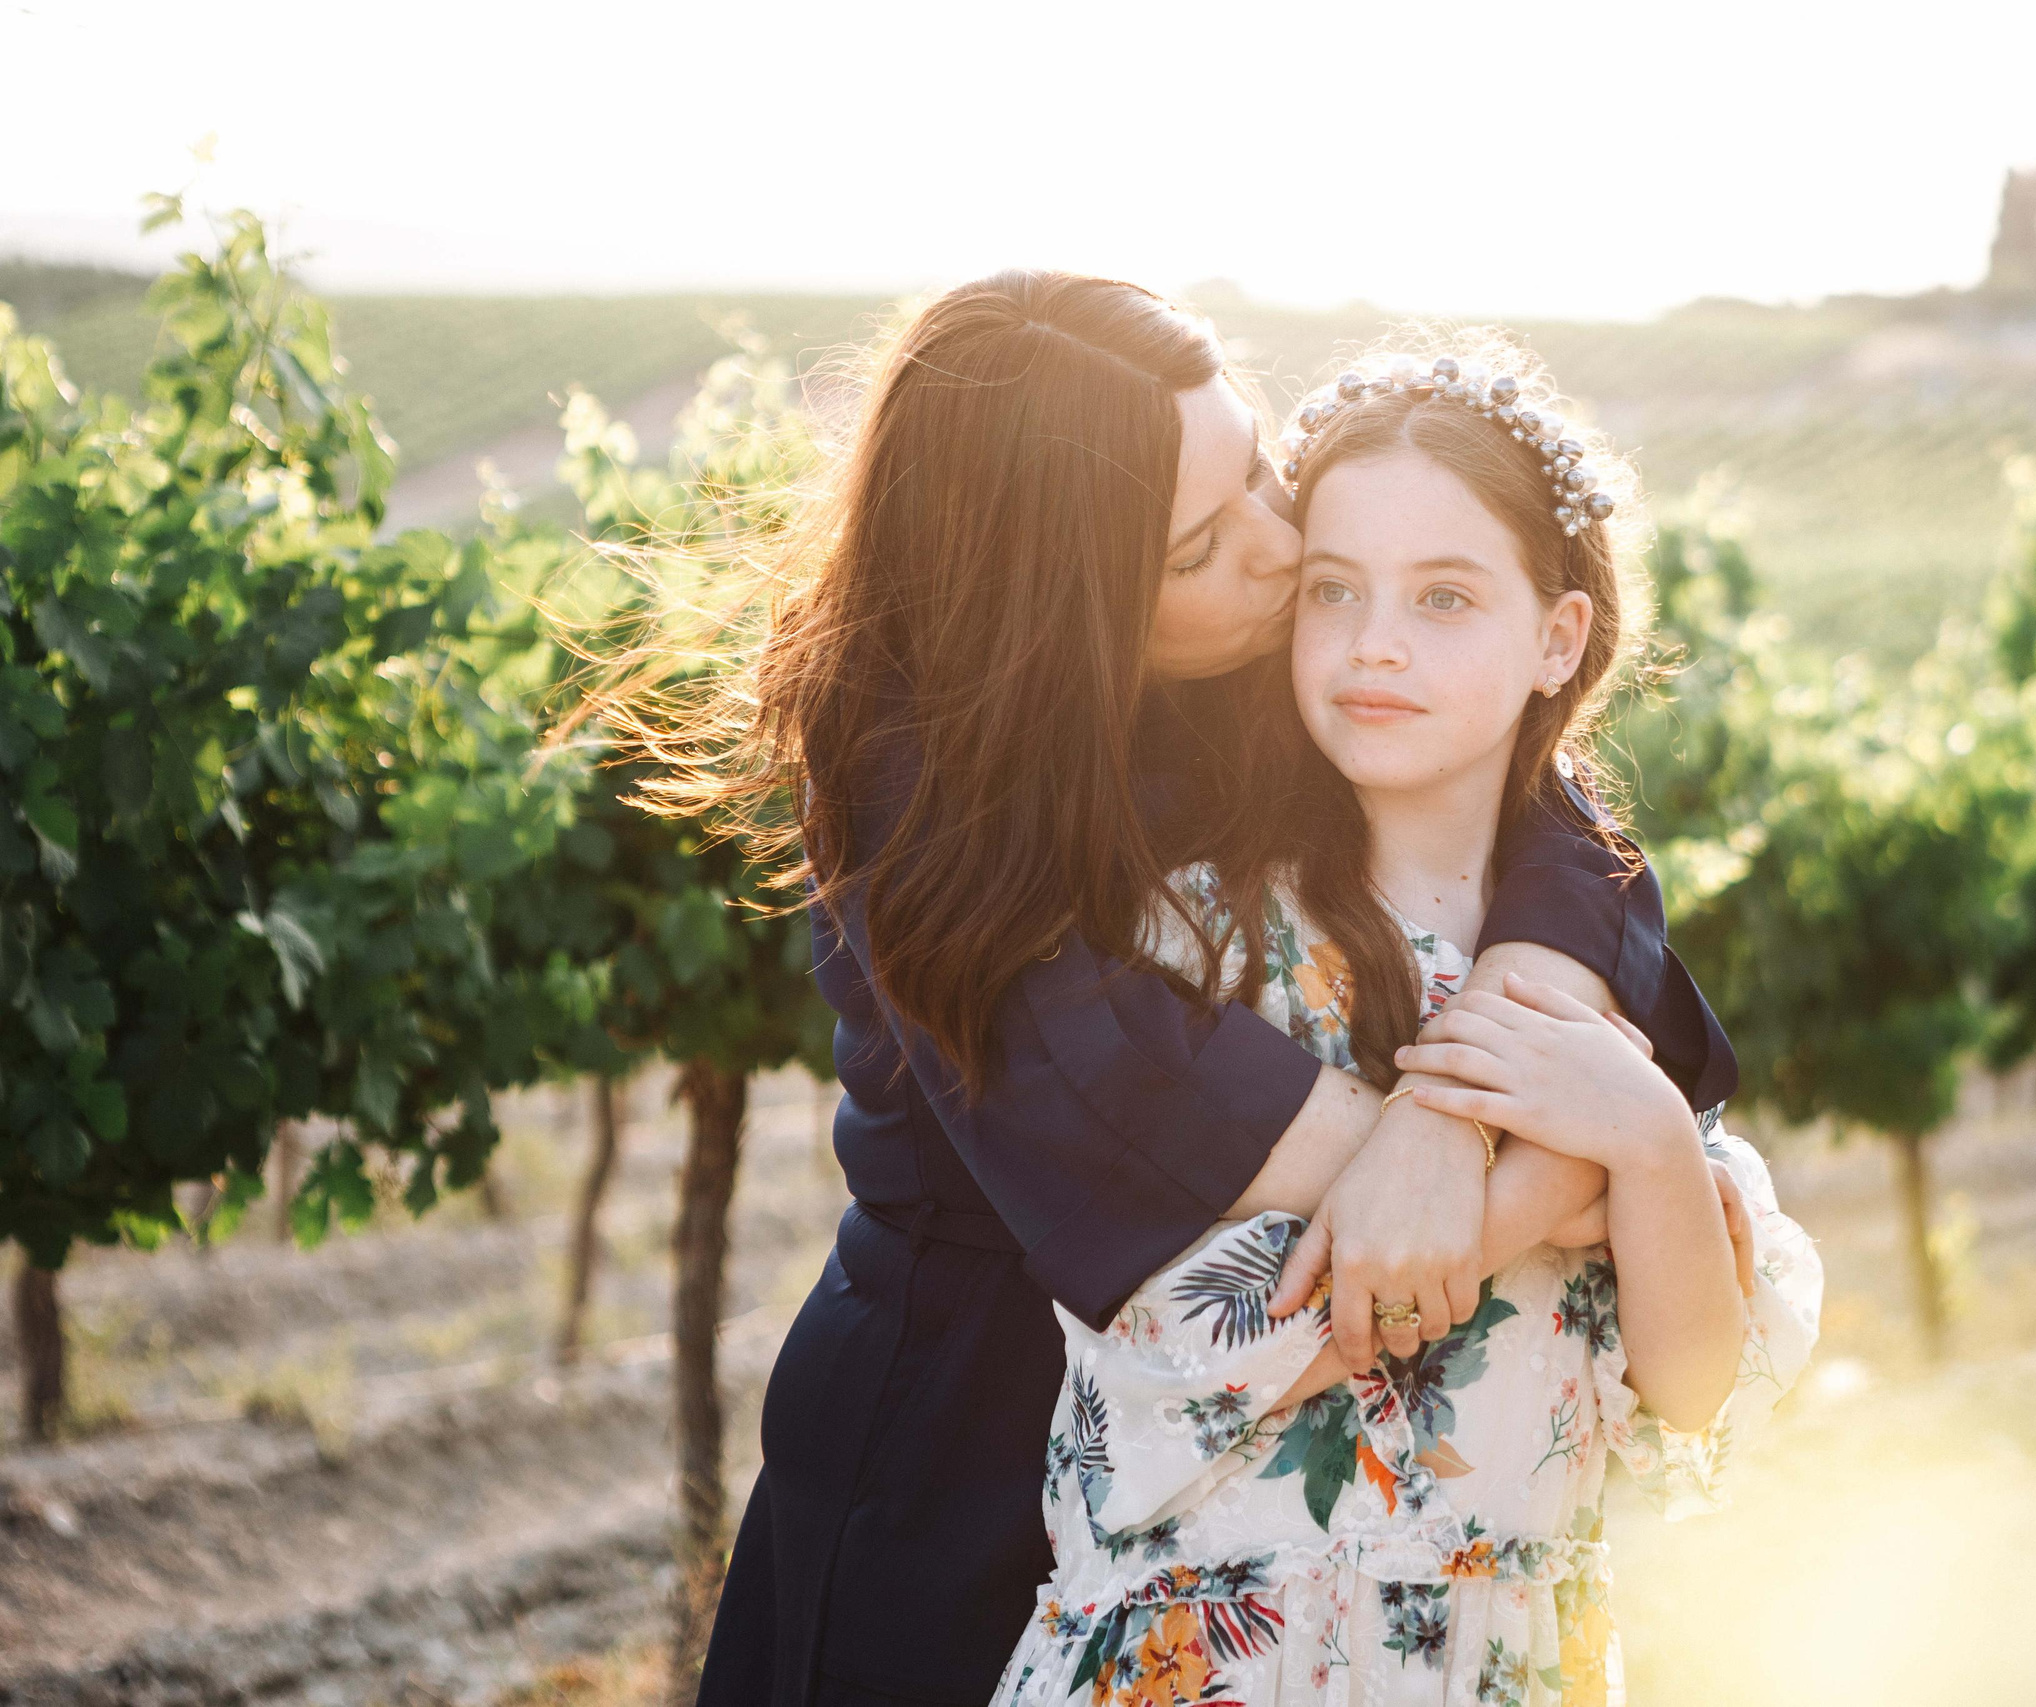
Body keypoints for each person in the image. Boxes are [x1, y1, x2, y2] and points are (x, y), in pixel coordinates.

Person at [676, 274, 1745, 1707]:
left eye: (1259, 470)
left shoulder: (1275, 644)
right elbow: (1141, 1093)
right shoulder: (911, 785)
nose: (1277, 545)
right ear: (1068, 600)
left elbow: (1547, 822)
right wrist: (1559, 1175)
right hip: (967, 1456)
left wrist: (1456, 1109)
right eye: (1199, 544)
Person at [990, 339, 1820, 1706]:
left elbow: (1694, 1384)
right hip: (1210, 1667)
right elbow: (1157, 1363)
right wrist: (1551, 1185)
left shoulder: (1591, 983)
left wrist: (1651, 1143)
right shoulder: (1185, 944)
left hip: (1508, 1667)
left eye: (1444, 598)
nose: (1376, 643)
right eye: (1334, 592)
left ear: (1559, 637)